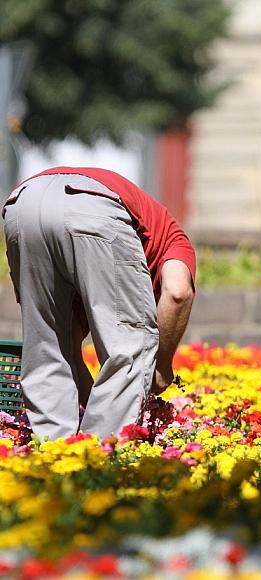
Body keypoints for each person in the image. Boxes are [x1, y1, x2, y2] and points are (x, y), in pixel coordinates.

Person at [3, 166, 196, 440]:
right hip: (95, 208)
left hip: (22, 204)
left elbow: (70, 352)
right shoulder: (174, 239)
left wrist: (94, 412)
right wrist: (161, 367)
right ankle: (100, 459)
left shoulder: (83, 278)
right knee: (129, 350)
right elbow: (178, 293)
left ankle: (52, 455)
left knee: (47, 346)